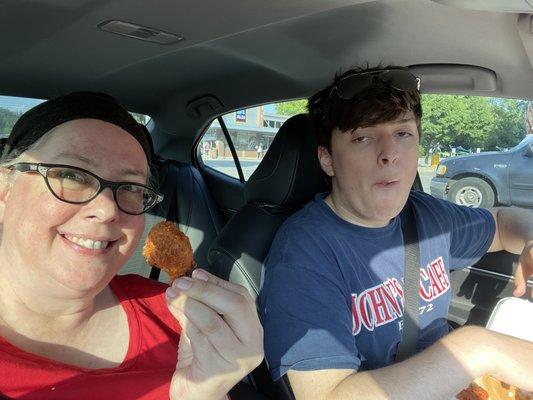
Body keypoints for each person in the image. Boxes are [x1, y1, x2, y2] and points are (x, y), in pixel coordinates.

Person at [259, 66, 533, 399]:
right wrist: (476, 350)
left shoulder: (426, 214)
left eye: (403, 134)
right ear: (328, 160)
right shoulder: (303, 254)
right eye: (362, 137)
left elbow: (504, 221)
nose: (390, 154)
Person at [0, 92, 263, 399]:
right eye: (71, 174)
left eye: (130, 187)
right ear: (5, 189)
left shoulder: (183, 319)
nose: (108, 209)